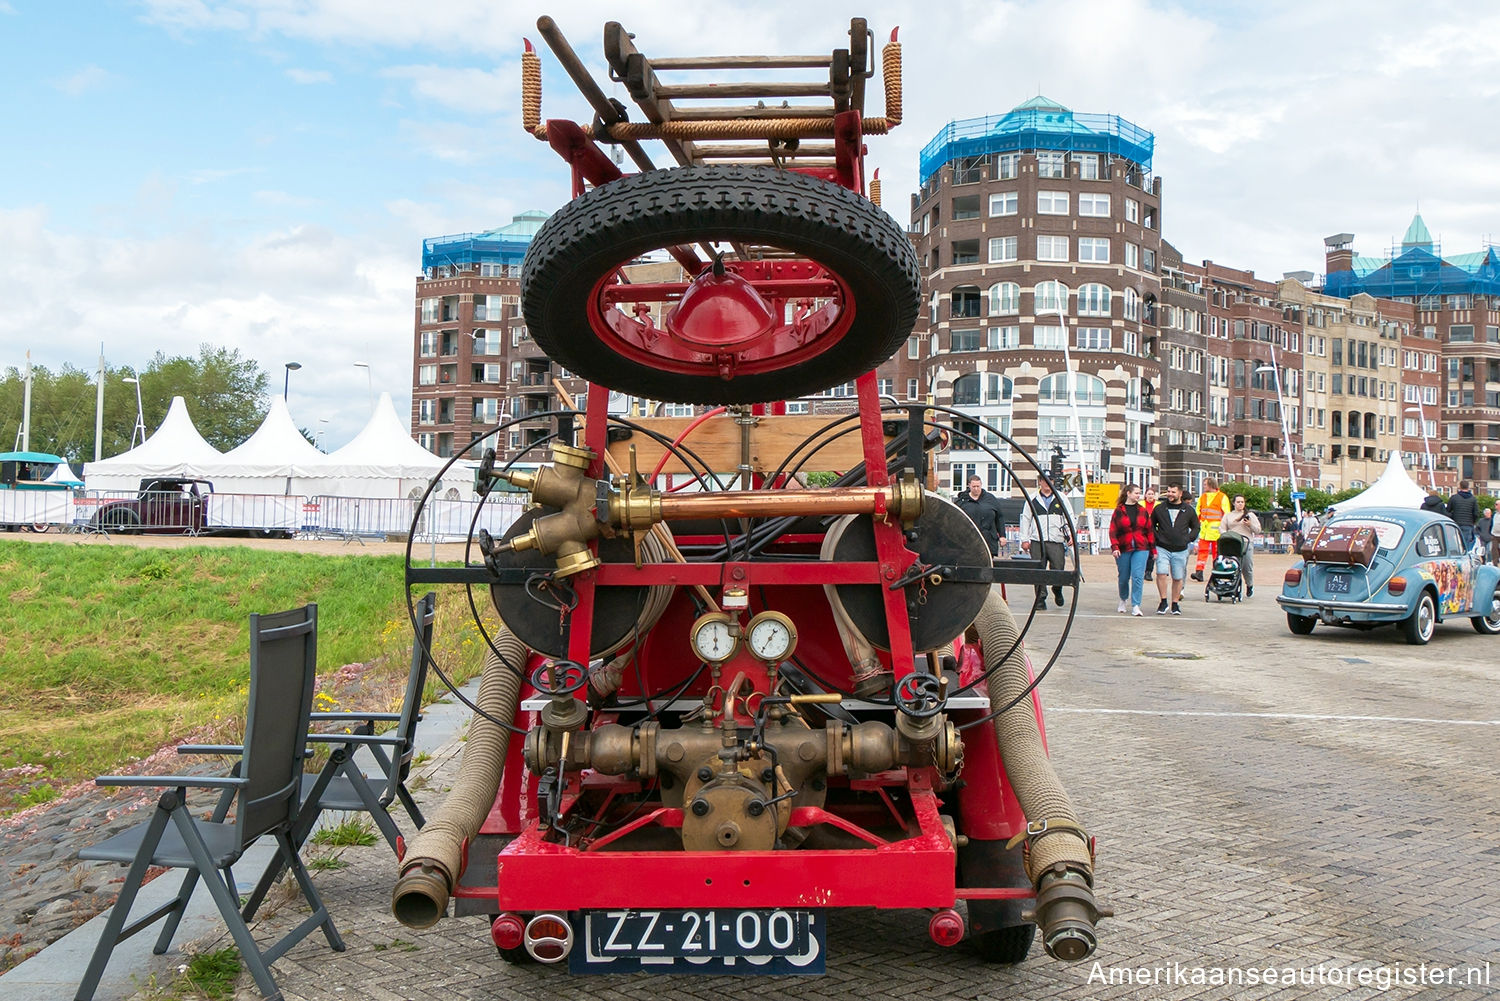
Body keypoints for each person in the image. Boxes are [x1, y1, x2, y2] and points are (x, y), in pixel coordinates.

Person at [1019, 474, 1069, 610]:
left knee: (1058, 569)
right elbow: (1026, 519)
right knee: (1038, 570)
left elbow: (1069, 517)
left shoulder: (1061, 498)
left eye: (1050, 480)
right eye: (1044, 480)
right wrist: (1024, 539)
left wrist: (1070, 535)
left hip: (1056, 539)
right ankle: (1040, 599)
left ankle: (1057, 588)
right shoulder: (1032, 498)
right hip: (1037, 540)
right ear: (1040, 482)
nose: (1047, 483)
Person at [1150, 482, 1199, 615]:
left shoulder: (1188, 510)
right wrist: (1157, 538)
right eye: (1169, 492)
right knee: (1161, 572)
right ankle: (1163, 601)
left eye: (1173, 492)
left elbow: (1196, 526)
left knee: (1177, 577)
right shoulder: (1160, 508)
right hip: (1162, 547)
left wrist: (1189, 539)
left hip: (1181, 549)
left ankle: (1175, 603)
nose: (1170, 494)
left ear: (1180, 494)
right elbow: (1151, 525)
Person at [1109, 483, 1153, 616]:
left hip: (1141, 547)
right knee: (1123, 577)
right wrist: (1115, 547)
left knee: (1138, 576)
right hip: (1123, 547)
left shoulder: (1142, 510)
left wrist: (1153, 549)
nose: (1138, 495)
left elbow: (1149, 531)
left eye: (1139, 493)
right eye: (1136, 493)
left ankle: (1136, 605)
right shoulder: (1119, 510)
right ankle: (1123, 598)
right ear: (1128, 493)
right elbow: (1113, 530)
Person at [954, 474, 1005, 559]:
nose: (976, 489)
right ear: (969, 485)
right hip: (968, 541)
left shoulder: (990, 499)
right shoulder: (962, 501)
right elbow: (955, 519)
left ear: (981, 485)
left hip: (988, 539)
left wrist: (1002, 535)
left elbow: (1000, 517)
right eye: (974, 486)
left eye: (978, 486)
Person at [1221, 493, 1262, 597]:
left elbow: (1258, 530)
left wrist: (1250, 525)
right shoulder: (1228, 515)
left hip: (1246, 543)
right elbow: (1222, 528)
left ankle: (1249, 584)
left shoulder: (1250, 515)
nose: (1240, 504)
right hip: (1233, 543)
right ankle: (1233, 586)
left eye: (1242, 502)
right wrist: (1225, 535)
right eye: (1238, 502)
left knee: (1247, 566)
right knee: (1233, 566)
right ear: (1234, 503)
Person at [1191, 478, 1229, 581]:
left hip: (1217, 531)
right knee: (1202, 552)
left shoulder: (1222, 497)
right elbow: (1198, 511)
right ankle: (1199, 572)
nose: (1203, 486)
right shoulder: (1203, 497)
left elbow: (1226, 514)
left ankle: (1217, 573)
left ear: (1210, 485)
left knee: (1217, 553)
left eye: (1205, 484)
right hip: (1205, 530)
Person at [1447, 480, 1479, 551]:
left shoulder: (1454, 498)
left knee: (1455, 544)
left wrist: (1453, 517)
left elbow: (1447, 510)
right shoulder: (1473, 499)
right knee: (1466, 545)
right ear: (1468, 487)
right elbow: (1476, 513)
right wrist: (1472, 521)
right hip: (1468, 524)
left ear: (1460, 487)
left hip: (1455, 524)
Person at [1142, 485, 1158, 581]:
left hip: (1154, 531)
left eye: (1152, 494)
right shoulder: (1140, 504)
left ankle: (1149, 572)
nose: (1150, 496)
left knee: (1152, 553)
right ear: (1145, 495)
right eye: (1149, 494)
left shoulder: (1158, 505)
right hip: (1142, 531)